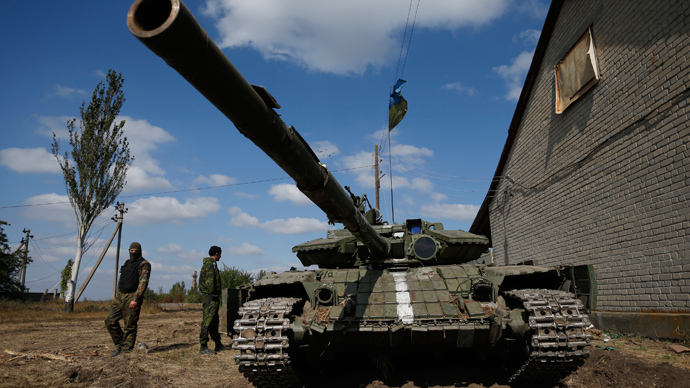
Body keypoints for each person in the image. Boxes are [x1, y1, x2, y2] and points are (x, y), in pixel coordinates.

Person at [105, 242, 151, 357]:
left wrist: (135, 299)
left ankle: (126, 351)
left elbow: (143, 283)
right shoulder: (127, 263)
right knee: (109, 320)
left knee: (129, 325)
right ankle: (121, 344)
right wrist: (118, 294)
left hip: (132, 296)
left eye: (135, 251)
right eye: (131, 251)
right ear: (129, 251)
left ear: (140, 251)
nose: (133, 252)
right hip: (120, 296)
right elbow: (121, 279)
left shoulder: (144, 264)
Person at [199, 245, 226, 355]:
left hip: (211, 297)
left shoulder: (211, 264)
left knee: (214, 321)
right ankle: (203, 346)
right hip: (210, 297)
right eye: (220, 253)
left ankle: (218, 344)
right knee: (207, 321)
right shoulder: (210, 265)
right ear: (216, 253)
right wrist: (214, 295)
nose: (220, 256)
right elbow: (210, 282)